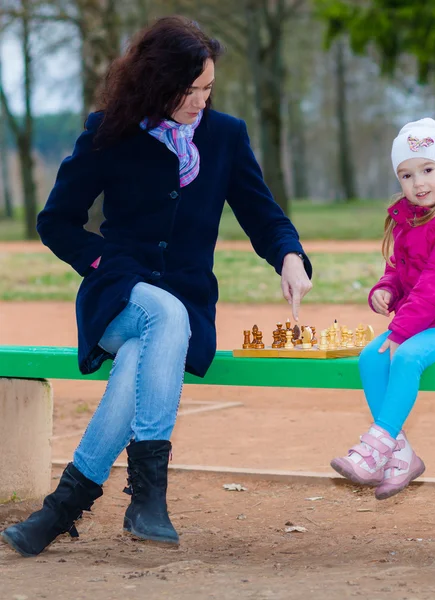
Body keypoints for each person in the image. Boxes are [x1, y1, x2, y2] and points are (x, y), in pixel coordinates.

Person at [1, 16, 312, 557]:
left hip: (187, 298)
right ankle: (149, 495)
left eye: (207, 89)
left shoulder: (226, 136)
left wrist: (288, 256)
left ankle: (61, 510)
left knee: (147, 349)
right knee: (164, 317)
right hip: (118, 290)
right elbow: (56, 221)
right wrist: (100, 261)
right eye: (187, 91)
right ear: (154, 85)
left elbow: (264, 216)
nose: (199, 101)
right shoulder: (110, 132)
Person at [330, 118, 435, 500]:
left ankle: (377, 445)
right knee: (371, 357)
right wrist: (386, 288)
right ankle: (400, 453)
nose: (418, 183)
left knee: (405, 357)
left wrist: (402, 330)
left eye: (428, 170)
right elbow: (402, 268)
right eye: (406, 175)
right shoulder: (410, 215)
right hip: (427, 319)